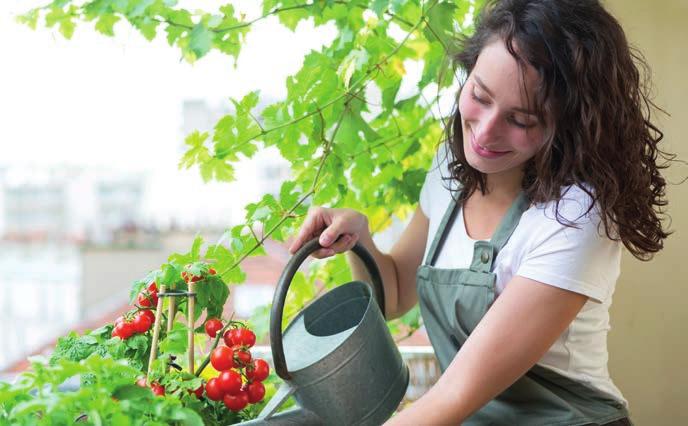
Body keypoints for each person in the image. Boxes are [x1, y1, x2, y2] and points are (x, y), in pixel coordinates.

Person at [288, 0, 672, 424]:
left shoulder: (577, 215)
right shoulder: (450, 172)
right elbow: (394, 293)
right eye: (479, 96)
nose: (486, 132)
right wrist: (360, 241)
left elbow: (454, 395)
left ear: (567, 123)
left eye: (522, 120)